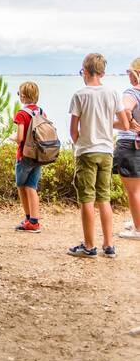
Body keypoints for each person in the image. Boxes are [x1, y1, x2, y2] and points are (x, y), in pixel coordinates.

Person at [68, 53, 129, 258]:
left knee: (87, 199)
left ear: (85, 71)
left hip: (86, 151)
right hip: (106, 151)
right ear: (101, 72)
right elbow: (124, 124)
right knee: (104, 198)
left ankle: (89, 246)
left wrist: (80, 142)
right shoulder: (112, 93)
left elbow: (73, 130)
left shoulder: (80, 95)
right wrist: (104, 123)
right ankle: (109, 245)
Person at [11, 82, 44, 232]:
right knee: (32, 187)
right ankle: (34, 221)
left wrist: (12, 137)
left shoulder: (21, 114)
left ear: (23, 96)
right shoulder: (41, 112)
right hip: (38, 156)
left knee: (21, 187)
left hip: (24, 156)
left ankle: (28, 218)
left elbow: (20, 137)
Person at [113, 58, 140, 239]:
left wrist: (128, 123)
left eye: (129, 71)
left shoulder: (131, 92)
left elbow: (126, 110)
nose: (128, 74)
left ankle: (138, 229)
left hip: (130, 144)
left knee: (133, 190)